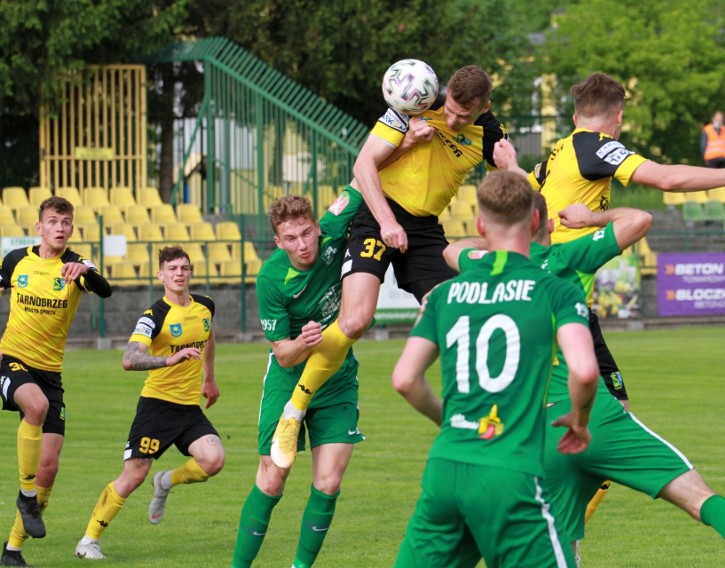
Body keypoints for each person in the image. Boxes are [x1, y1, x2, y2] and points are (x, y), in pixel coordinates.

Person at [494, 71, 725, 519]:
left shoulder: (559, 152)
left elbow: (534, 194)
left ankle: (560, 531)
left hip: (550, 294)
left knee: (609, 409)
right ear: (617, 120)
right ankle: (550, 532)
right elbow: (667, 179)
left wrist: (511, 167)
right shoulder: (594, 146)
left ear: (576, 114)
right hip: (564, 294)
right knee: (590, 422)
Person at [269, 64, 509, 470]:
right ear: (444, 93)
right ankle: (294, 411)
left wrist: (514, 167)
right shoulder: (415, 101)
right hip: (377, 215)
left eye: (462, 117)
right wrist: (387, 221)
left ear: (483, 107)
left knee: (452, 313)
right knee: (355, 320)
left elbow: (514, 192)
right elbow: (364, 167)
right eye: (448, 109)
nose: (451, 120)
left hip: (425, 228)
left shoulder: (490, 134)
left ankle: (466, 419)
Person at [391, 171, 599, 567]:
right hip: (510, 472)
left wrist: (451, 421)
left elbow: (404, 379)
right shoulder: (556, 289)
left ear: (480, 225)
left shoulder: (444, 293)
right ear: (536, 221)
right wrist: (580, 418)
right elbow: (585, 371)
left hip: (445, 469)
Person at [232, 188, 366, 568]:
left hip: (336, 379)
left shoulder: (332, 227)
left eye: (307, 233)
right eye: (291, 238)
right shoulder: (271, 277)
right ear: (278, 241)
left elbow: (363, 177)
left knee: (328, 483)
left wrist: (407, 134)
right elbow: (282, 352)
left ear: (316, 228)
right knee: (273, 478)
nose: (302, 244)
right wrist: (305, 342)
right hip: (288, 378)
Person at [74, 245, 223, 560]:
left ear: (190, 272)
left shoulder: (206, 305)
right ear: (161, 275)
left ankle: (165, 481)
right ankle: (88, 541)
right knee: (133, 477)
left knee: (213, 460)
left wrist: (209, 378)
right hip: (156, 405)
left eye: (184, 268)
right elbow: (129, 360)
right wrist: (170, 361)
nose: (179, 274)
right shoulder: (153, 316)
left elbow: (208, 338)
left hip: (188, 408)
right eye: (172, 269)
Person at [0, 196, 112, 567]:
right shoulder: (16, 260)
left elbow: (105, 288)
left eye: (66, 222)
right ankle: (26, 497)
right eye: (52, 221)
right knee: (36, 405)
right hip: (12, 360)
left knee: (48, 468)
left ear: (72, 228)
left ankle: (13, 550)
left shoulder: (76, 266)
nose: (59, 228)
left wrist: (83, 273)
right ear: (39, 228)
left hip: (51, 373)